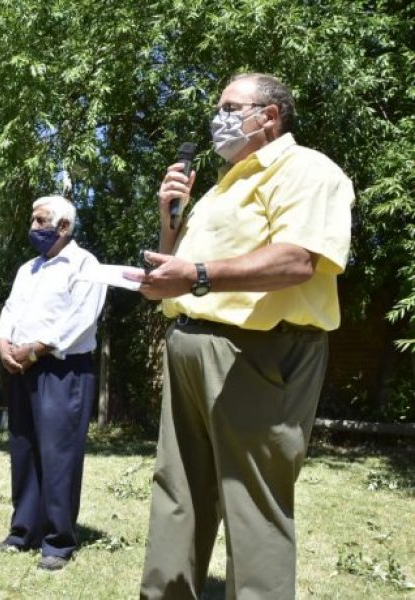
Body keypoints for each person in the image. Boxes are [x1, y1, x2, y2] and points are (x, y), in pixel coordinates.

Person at [133, 73, 354, 598]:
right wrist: (171, 220)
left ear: (269, 116)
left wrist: (201, 275)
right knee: (178, 492)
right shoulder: (221, 185)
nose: (218, 117)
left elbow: (298, 259)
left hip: (256, 354)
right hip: (189, 343)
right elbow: (182, 265)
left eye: (231, 107)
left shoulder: (307, 170)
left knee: (253, 504)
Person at [0, 195, 107, 571]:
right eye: (33, 220)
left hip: (63, 369)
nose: (33, 227)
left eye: (41, 221)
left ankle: (57, 541)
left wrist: (36, 350)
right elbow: (10, 310)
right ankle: (23, 531)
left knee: (59, 455)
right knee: (24, 450)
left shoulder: (86, 264)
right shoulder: (29, 269)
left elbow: (81, 319)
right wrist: (3, 343)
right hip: (22, 369)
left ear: (64, 227)